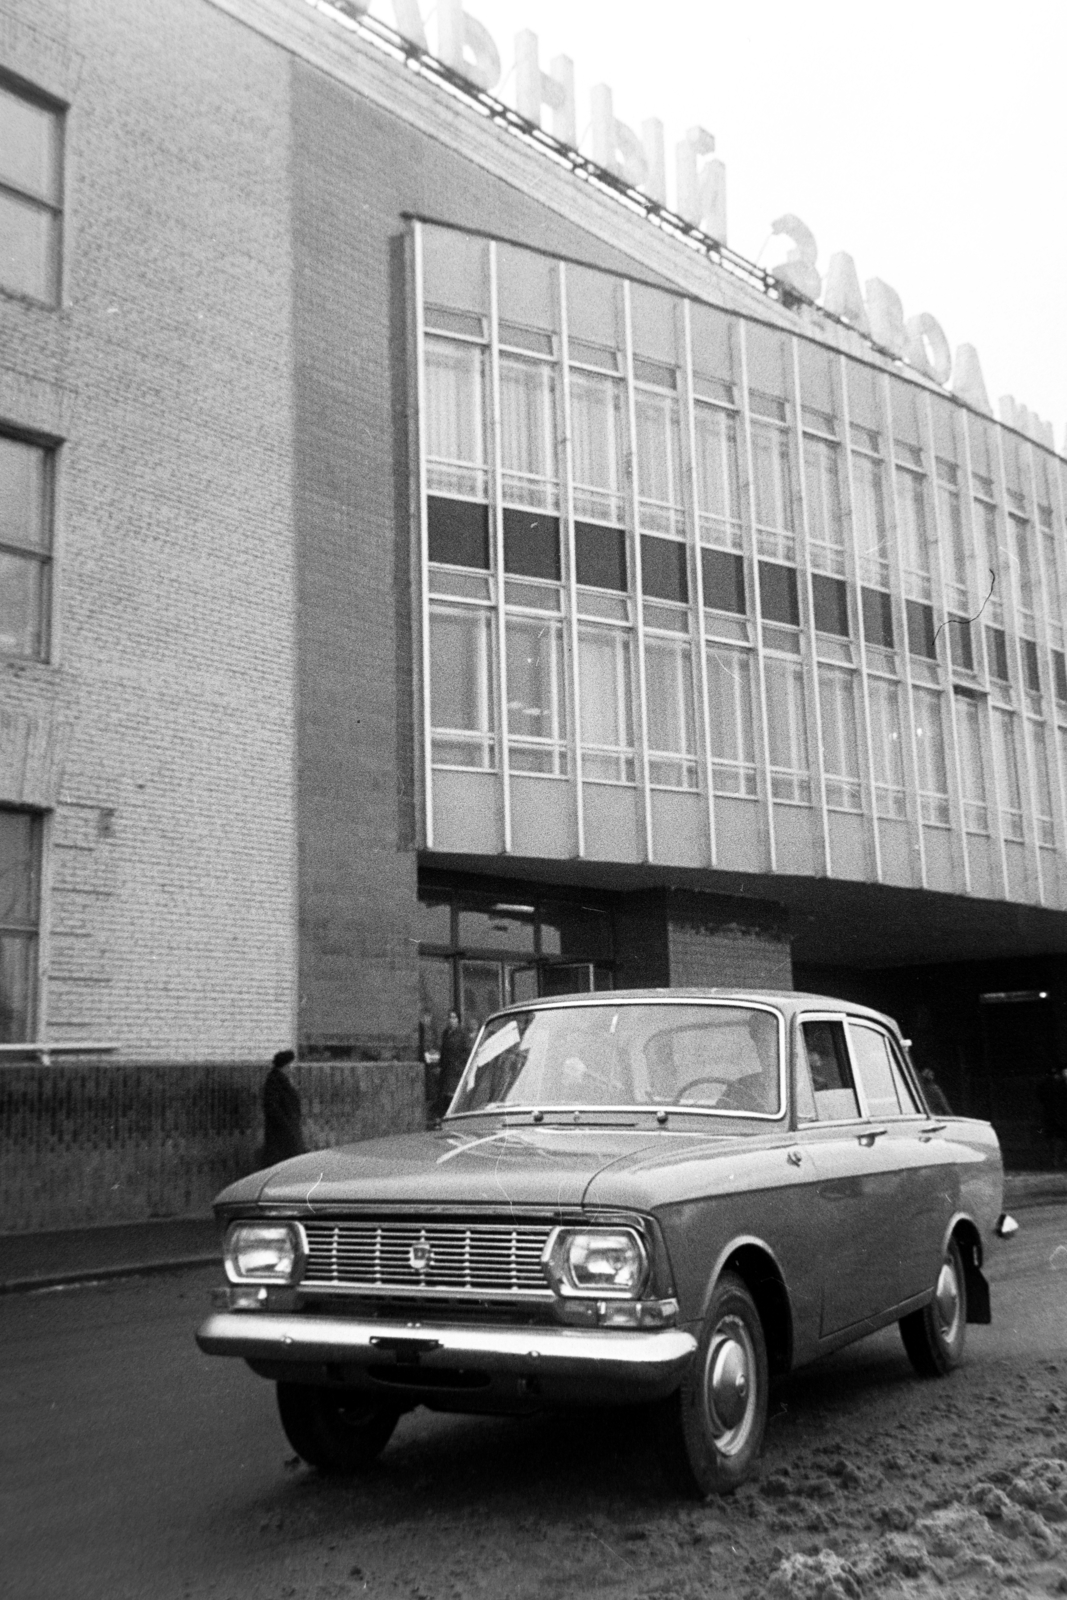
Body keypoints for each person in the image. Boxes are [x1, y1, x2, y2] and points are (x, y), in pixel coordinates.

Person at [261, 1048, 305, 1166]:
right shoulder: (274, 1081)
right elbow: (272, 1107)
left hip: (288, 1127)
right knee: (285, 1160)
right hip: (282, 1131)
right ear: (284, 1066)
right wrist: (286, 1124)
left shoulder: (283, 1080)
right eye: (290, 1065)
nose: (291, 1068)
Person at [433, 1010, 470, 1121]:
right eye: (450, 1017)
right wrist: (440, 1066)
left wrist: (459, 1064)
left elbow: (466, 1052)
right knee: (444, 1096)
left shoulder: (462, 1034)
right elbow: (443, 1051)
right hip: (446, 1070)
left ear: (458, 1020)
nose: (451, 1020)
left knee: (453, 1096)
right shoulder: (445, 1033)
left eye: (454, 1018)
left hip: (456, 1070)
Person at [1037, 1066, 1067, 1168]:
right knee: (1056, 1137)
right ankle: (1055, 1159)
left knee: (1058, 1137)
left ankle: (1057, 1159)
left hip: (1057, 1115)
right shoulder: (1054, 1086)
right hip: (1055, 1115)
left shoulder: (1058, 1085)